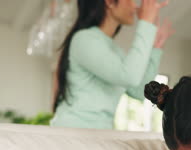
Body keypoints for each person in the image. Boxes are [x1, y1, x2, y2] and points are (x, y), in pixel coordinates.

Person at [50, 0, 173, 129]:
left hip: (98, 134)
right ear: (109, 2)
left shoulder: (113, 49)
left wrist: (155, 50)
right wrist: (146, 23)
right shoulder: (84, 39)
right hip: (72, 131)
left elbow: (138, 90)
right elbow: (129, 76)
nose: (134, 5)